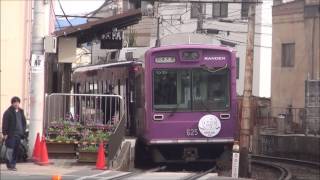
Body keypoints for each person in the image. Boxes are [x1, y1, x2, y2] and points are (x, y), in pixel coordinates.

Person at [2, 96, 27, 171]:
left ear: (19, 103)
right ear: (12, 103)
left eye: (17, 102)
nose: (16, 104)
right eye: (14, 102)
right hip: (11, 134)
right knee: (10, 149)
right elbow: (5, 123)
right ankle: (9, 164)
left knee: (16, 150)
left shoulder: (21, 111)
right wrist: (5, 133)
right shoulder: (8, 112)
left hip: (19, 134)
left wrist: (23, 130)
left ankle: (13, 164)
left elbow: (24, 122)